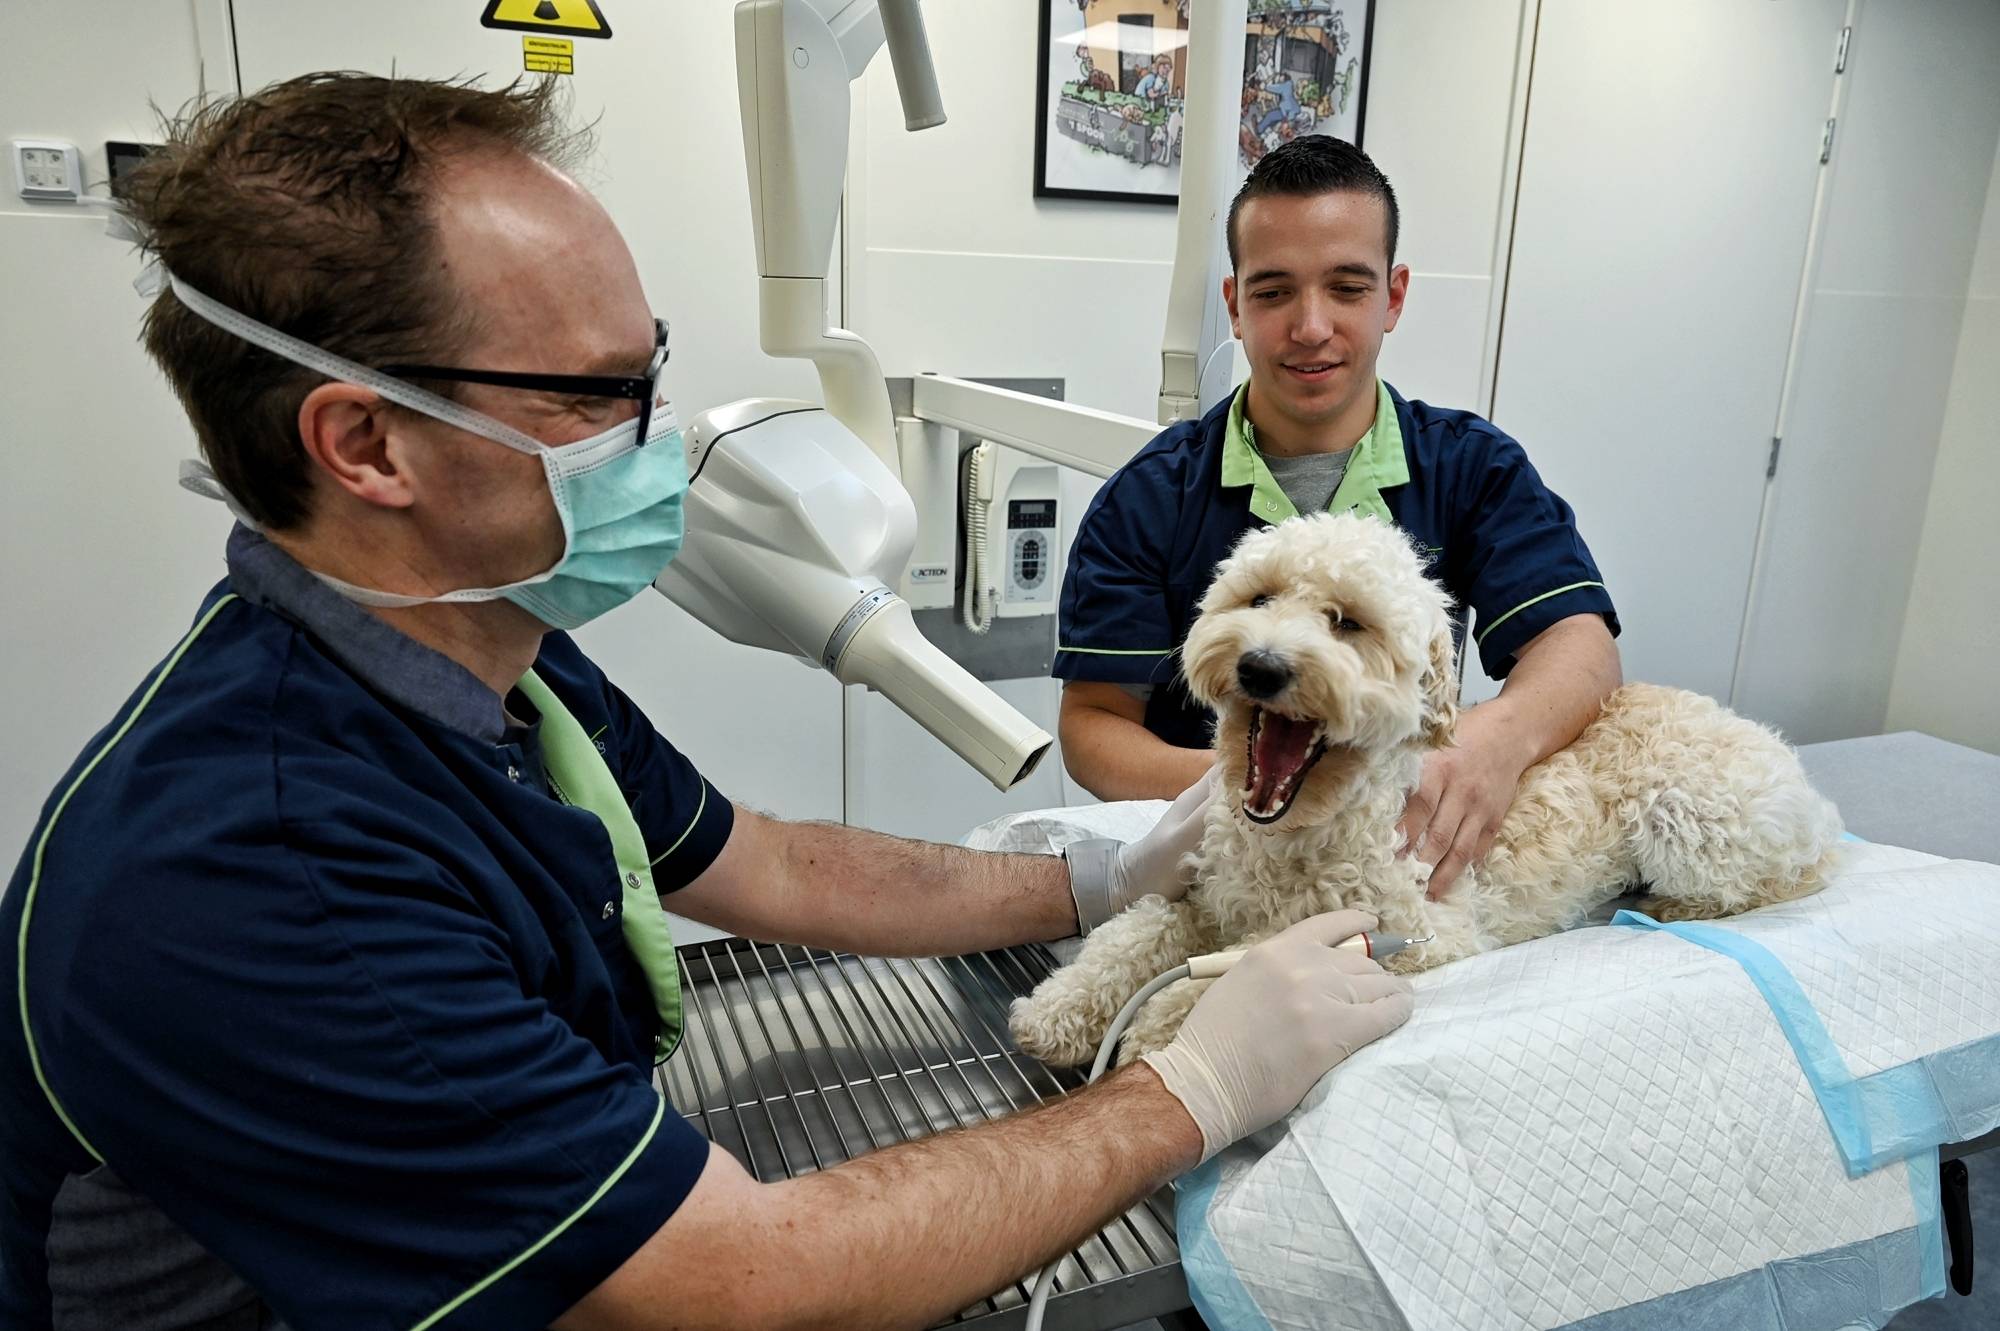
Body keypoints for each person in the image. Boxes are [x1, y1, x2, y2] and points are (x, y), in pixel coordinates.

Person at [0, 74, 1415, 1331]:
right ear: (366, 442)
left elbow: (767, 859)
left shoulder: (495, 657)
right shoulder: (261, 869)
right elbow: (740, 1280)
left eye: (652, 368)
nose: (660, 437)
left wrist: (1098, 871)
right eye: (605, 392)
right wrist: (1191, 1090)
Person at [1056, 135, 1623, 901]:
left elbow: (1579, 643)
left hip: (1392, 868)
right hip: (1205, 863)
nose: (1311, 326)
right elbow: (1092, 725)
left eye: (1348, 288)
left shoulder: (1472, 467)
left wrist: (1495, 744)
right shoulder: (1149, 498)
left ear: (1393, 296)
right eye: (1274, 290)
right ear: (1235, 305)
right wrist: (1261, 791)